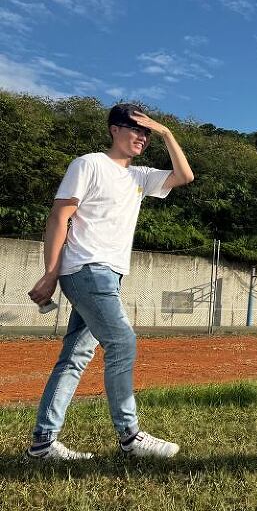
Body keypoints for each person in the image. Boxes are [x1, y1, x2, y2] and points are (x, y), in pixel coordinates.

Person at [26, 103, 194, 460]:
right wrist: (51, 272)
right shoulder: (88, 164)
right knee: (122, 343)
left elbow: (184, 176)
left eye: (147, 132)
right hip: (87, 269)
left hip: (110, 275)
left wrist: (166, 132)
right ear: (114, 129)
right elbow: (59, 215)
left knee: (75, 357)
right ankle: (130, 437)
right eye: (135, 129)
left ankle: (42, 443)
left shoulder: (140, 176)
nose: (142, 137)